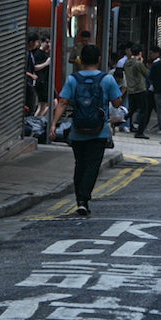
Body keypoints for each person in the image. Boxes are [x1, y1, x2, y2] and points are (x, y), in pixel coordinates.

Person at [48, 44, 122, 216]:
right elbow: (117, 103)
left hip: (78, 129)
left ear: (81, 59)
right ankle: (84, 199)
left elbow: (63, 102)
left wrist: (53, 124)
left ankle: (79, 199)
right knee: (92, 166)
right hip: (99, 131)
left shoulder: (73, 79)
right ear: (99, 59)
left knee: (79, 164)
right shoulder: (107, 79)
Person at [123, 46, 151, 139]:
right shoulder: (138, 64)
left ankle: (118, 122)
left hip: (131, 89)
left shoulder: (126, 63)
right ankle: (140, 132)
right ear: (139, 53)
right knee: (144, 111)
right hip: (140, 89)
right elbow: (146, 74)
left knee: (131, 110)